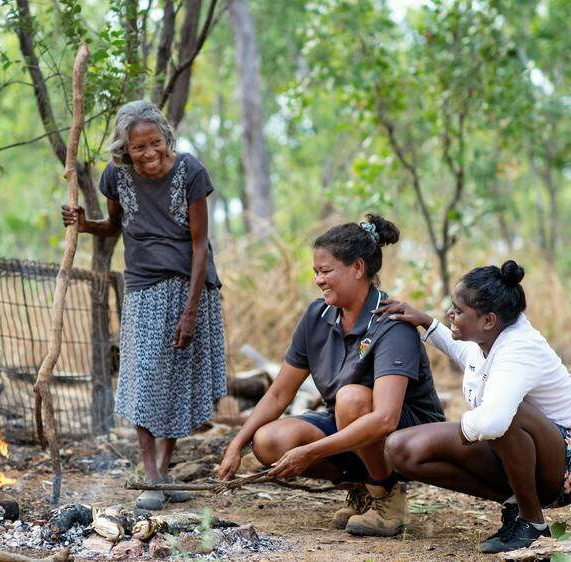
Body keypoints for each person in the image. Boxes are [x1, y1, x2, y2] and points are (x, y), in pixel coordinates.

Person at [217, 215, 445, 537]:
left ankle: (387, 494)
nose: (319, 280)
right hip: (349, 422)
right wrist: (236, 445)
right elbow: (280, 394)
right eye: (315, 273)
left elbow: (384, 420)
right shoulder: (317, 315)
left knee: (351, 398)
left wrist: (310, 452)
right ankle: (363, 487)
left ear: (357, 268)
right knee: (268, 442)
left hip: (407, 432)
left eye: (326, 271)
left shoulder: (391, 321)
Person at [61, 100, 227, 510]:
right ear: (125, 149)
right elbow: (115, 227)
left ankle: (163, 474)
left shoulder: (190, 171)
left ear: (166, 139)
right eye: (139, 148)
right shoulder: (116, 176)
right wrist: (83, 225)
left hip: (189, 288)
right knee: (145, 378)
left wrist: (190, 312)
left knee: (174, 382)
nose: (149, 153)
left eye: (155, 143)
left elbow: (200, 244)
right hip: (143, 288)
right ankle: (150, 474)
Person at [379, 260, 571, 553]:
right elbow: (466, 352)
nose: (450, 314)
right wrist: (427, 323)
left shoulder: (519, 348)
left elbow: (494, 422)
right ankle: (515, 503)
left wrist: (460, 436)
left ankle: (532, 523)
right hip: (524, 452)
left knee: (503, 415)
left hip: (562, 462)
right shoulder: (489, 337)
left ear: (488, 320)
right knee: (402, 450)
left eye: (458, 311)